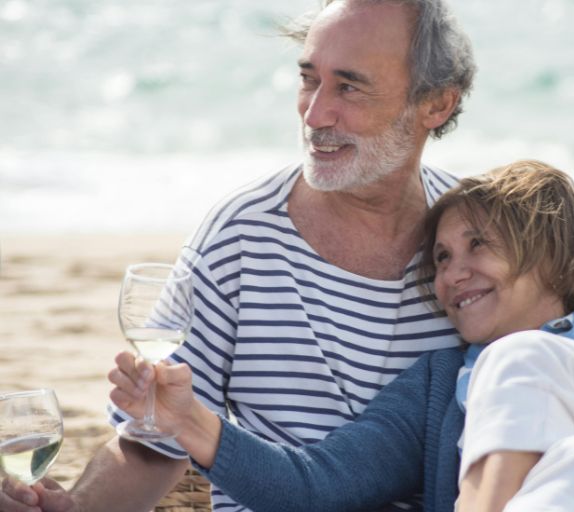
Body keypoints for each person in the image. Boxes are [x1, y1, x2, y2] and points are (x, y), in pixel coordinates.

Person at [0, 1, 475, 511]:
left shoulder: (478, 242)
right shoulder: (240, 236)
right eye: (309, 79)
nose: (314, 114)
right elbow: (154, 443)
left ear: (435, 105)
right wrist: (76, 507)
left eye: (349, 87)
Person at [106, 160, 574, 511]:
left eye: (478, 245)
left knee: (522, 360)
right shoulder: (436, 389)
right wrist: (193, 422)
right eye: (442, 259)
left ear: (544, 252)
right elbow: (315, 485)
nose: (455, 274)